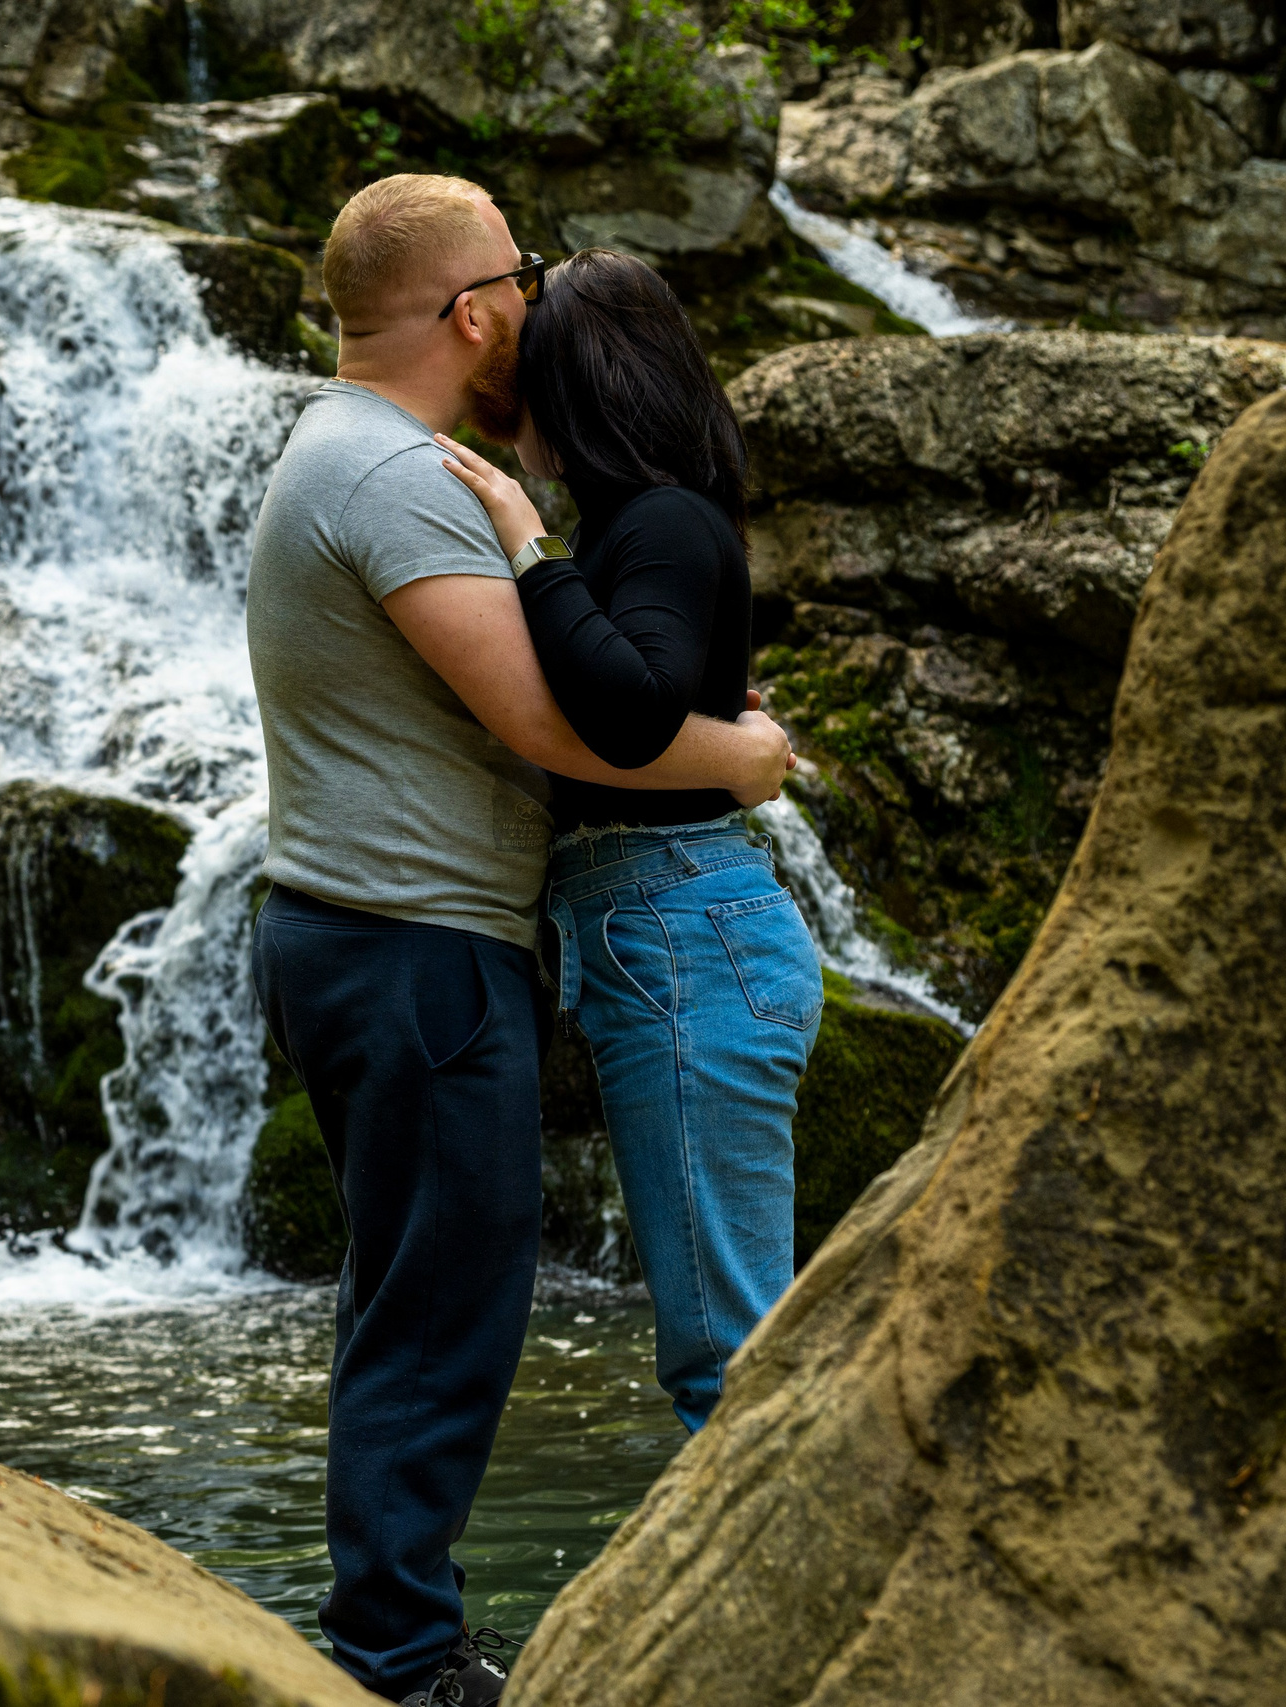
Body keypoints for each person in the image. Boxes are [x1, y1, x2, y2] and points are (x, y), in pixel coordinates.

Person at [242, 178, 795, 1707]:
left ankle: (400, 1635)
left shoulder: (354, 452)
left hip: (381, 934)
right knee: (444, 1307)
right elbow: (561, 724)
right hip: (413, 943)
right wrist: (745, 758)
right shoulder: (398, 477)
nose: (537, 301)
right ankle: (405, 1659)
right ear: (476, 309)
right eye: (524, 273)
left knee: (416, 1293)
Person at [434, 247, 825, 1437]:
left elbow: (632, 710)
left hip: (680, 926)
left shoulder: (655, 522)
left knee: (724, 1351)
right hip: (668, 925)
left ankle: (767, 1562)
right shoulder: (649, 522)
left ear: (584, 386)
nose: (510, 406)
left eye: (529, 376)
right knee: (722, 1337)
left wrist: (524, 544)